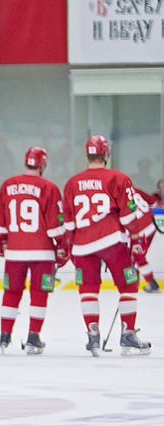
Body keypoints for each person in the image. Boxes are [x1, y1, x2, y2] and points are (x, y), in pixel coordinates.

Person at [62, 135, 155, 357]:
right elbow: (129, 216)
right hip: (111, 241)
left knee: (88, 290)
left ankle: (93, 337)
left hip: (82, 245)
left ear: (87, 154)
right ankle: (128, 335)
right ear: (106, 154)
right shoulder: (118, 178)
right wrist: (136, 236)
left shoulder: (72, 183)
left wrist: (74, 246)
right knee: (129, 285)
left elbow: (68, 222)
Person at [0, 147, 68, 355]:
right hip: (42, 252)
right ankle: (33, 337)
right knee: (39, 293)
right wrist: (62, 246)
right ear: (43, 165)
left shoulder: (8, 185)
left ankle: (4, 335)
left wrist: (2, 242)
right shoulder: (49, 187)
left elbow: (0, 224)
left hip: (15, 251)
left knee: (11, 292)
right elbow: (55, 227)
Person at [132, 187, 161, 293]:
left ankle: (150, 283)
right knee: (136, 256)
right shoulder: (133, 188)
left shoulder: (114, 195)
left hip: (139, 230)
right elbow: (153, 202)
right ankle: (138, 282)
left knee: (135, 256)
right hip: (151, 225)